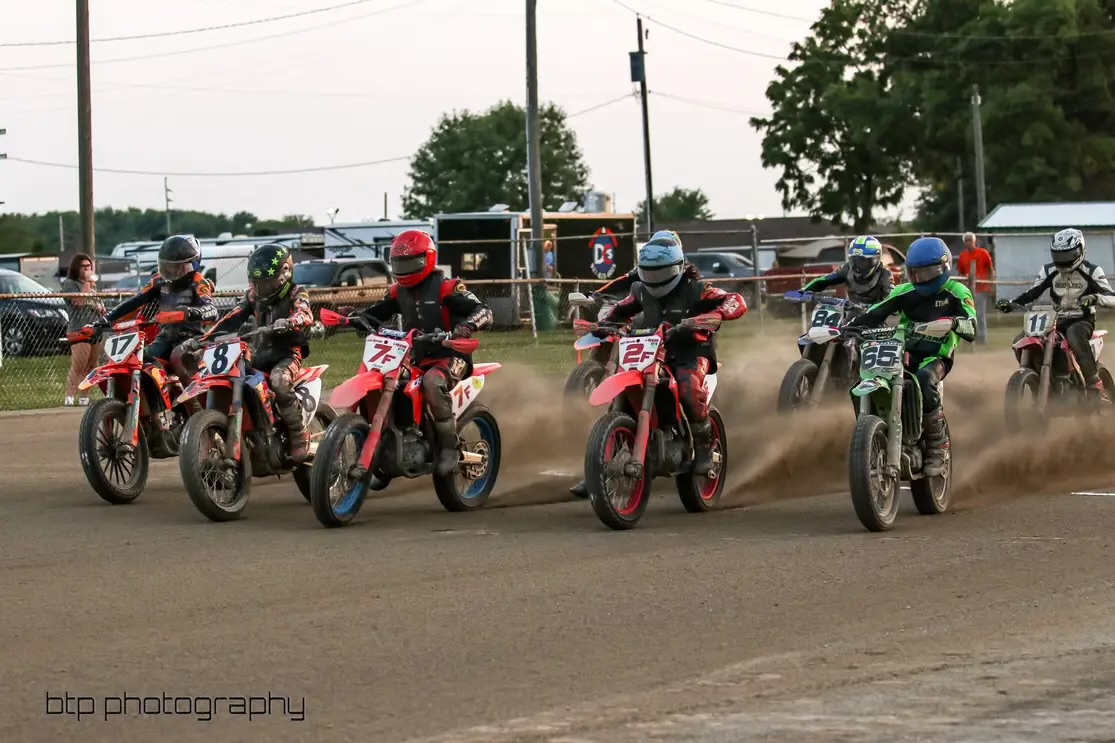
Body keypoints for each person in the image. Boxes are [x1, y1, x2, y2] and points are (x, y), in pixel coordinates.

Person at [569, 232, 746, 497]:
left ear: (677, 268)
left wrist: (713, 315)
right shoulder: (640, 290)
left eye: (659, 272)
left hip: (689, 351)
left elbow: (735, 300)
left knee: (687, 387)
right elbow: (621, 310)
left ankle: (704, 446)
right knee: (626, 398)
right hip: (651, 351)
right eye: (648, 273)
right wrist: (605, 326)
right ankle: (598, 469)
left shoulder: (697, 289)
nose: (653, 279)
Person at [352, 230, 494, 476]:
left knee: (431, 382)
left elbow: (485, 311)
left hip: (451, 356)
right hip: (415, 358)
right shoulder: (398, 291)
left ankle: (450, 447)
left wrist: (466, 326)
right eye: (399, 263)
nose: (404, 269)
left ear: (427, 259)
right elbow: (378, 311)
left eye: (411, 263)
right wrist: (358, 317)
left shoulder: (448, 288)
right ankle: (390, 441)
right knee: (388, 379)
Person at [845, 236, 977, 475]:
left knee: (925, 379)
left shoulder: (957, 291)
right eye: (915, 273)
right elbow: (875, 313)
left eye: (926, 273)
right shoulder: (905, 291)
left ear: (943, 266)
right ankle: (873, 435)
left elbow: (972, 326)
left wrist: (955, 323)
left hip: (935, 356)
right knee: (869, 374)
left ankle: (937, 446)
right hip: (900, 352)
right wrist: (847, 328)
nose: (921, 279)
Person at [189, 243, 316, 461]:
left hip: (288, 354)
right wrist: (203, 339)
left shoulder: (297, 291)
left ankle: (299, 436)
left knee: (279, 381)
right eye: (256, 283)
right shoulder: (251, 296)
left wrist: (290, 321)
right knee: (233, 375)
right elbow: (232, 317)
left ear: (284, 273)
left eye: (266, 282)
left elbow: (306, 313)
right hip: (260, 353)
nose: (261, 287)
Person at [996, 227, 1115, 403]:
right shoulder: (1048, 271)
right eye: (1059, 256)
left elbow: (1111, 296)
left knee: (1074, 335)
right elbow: (1032, 293)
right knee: (1020, 339)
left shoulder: (1092, 271)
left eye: (1067, 256)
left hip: (1082, 319)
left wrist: (1095, 298)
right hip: (1055, 319)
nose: (1063, 261)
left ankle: (1093, 382)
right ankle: (1038, 376)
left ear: (1080, 251)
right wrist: (1012, 303)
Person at [99, 235, 216, 382]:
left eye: (176, 268)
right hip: (165, 338)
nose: (171, 272)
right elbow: (134, 302)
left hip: (191, 339)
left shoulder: (198, 282)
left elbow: (212, 310)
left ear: (192, 265)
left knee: (177, 357)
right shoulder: (158, 281)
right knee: (140, 357)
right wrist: (105, 320)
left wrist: (190, 312)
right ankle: (156, 391)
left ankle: (193, 401)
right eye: (167, 267)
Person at [61, 253, 107, 406]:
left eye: (89, 266)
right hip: (79, 329)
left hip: (94, 328)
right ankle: (69, 397)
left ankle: (84, 398)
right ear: (76, 267)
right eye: (84, 267)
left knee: (91, 365)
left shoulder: (91, 286)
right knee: (79, 365)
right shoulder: (70, 284)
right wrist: (88, 281)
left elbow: (97, 304)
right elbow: (79, 301)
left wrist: (100, 308)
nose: (88, 269)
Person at [800, 235, 893, 306]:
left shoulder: (884, 274)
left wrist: (886, 306)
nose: (858, 266)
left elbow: (891, 297)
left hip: (876, 320)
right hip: (851, 315)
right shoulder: (847, 269)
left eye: (862, 261)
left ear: (876, 258)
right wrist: (803, 291)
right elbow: (823, 281)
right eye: (854, 261)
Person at [956, 232, 996, 343]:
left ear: (974, 241)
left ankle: (982, 340)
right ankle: (968, 339)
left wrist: (991, 284)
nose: (968, 242)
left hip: (981, 289)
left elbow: (990, 270)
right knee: (966, 314)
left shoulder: (983, 253)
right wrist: (961, 285)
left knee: (980, 315)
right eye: (966, 240)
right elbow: (960, 272)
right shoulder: (963, 255)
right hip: (967, 291)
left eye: (970, 240)